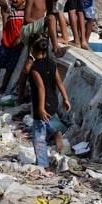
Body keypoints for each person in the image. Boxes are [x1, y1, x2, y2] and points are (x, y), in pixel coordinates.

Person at [27, 33, 71, 167]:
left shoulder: (34, 69)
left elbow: (40, 88)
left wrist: (40, 108)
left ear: (32, 50)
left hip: (42, 104)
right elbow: (59, 82)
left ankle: (42, 164)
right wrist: (65, 99)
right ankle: (56, 133)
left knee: (38, 136)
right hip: (53, 102)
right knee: (47, 123)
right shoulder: (52, 63)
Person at [0, 0, 27, 93]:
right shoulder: (10, 9)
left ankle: (3, 88)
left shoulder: (26, 13)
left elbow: (28, 26)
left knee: (9, 68)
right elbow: (1, 3)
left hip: (16, 46)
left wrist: (20, 37)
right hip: (6, 42)